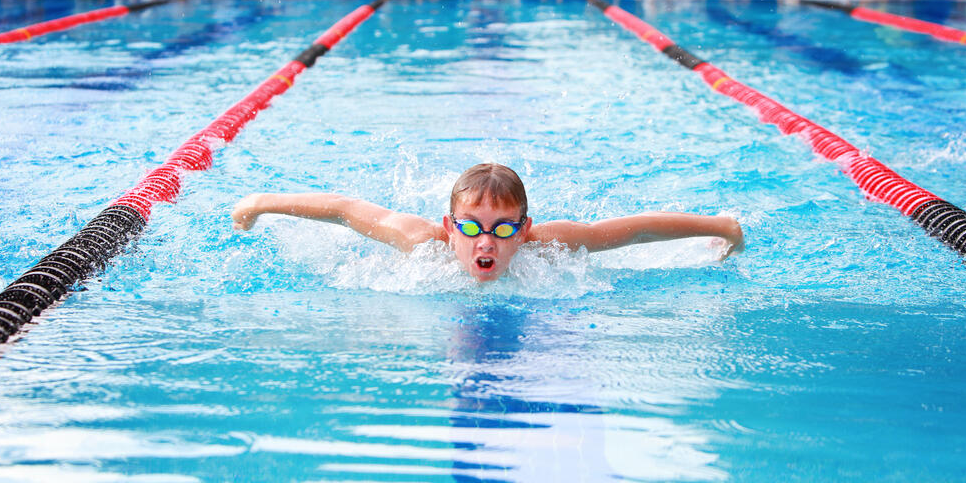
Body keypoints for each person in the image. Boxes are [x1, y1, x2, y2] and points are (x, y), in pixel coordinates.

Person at [231, 163, 744, 283]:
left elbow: (636, 229)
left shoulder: (549, 246)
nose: (487, 240)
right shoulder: (420, 242)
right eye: (472, 226)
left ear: (523, 229)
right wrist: (260, 203)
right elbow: (344, 209)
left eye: (502, 228)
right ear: (450, 226)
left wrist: (720, 226)